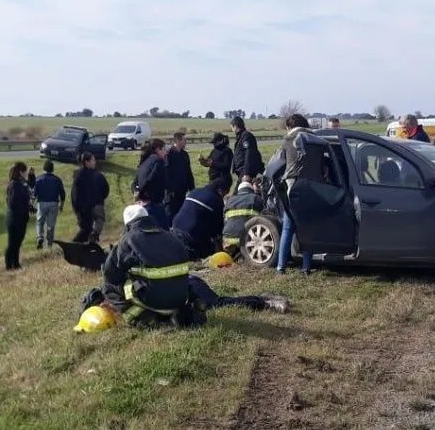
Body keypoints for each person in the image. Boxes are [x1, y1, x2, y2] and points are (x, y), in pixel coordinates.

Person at [78, 205, 289, 328]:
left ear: (129, 225)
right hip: (182, 295)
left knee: (113, 286)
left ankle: (144, 319)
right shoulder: (171, 237)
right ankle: (262, 301)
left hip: (161, 298)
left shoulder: (128, 241)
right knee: (219, 302)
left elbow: (110, 275)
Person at [276, 113, 322, 275]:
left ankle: (281, 266)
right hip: (313, 186)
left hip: (293, 186)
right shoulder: (314, 139)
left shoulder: (289, 140)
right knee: (307, 225)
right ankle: (306, 266)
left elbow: (279, 162)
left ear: (289, 126)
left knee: (288, 226)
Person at [171, 178, 229, 259]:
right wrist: (221, 250)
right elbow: (218, 229)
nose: (223, 196)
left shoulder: (195, 191)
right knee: (207, 250)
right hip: (191, 235)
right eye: (224, 193)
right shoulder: (217, 200)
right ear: (220, 190)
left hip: (175, 227)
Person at [132, 139, 169, 230]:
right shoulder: (158, 162)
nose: (165, 152)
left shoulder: (144, 162)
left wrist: (137, 195)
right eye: (164, 149)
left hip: (141, 205)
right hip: (154, 205)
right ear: (157, 150)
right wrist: (141, 192)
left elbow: (134, 183)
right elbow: (150, 180)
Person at [222, 180, 265, 254]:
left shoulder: (229, 200)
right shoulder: (256, 198)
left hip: (228, 238)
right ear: (251, 190)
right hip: (248, 239)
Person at [5, 162, 32, 270]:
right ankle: (9, 264)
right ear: (21, 172)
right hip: (15, 219)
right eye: (25, 171)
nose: (26, 173)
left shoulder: (19, 184)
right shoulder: (15, 185)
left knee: (17, 242)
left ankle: (15, 263)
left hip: (19, 218)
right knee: (13, 243)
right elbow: (13, 203)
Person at [34, 160, 65, 250]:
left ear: (44, 168)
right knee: (50, 225)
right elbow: (62, 194)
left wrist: (32, 203)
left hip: (42, 203)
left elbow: (34, 193)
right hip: (54, 203)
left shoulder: (38, 179)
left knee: (40, 222)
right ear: (52, 169)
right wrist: (61, 205)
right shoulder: (57, 179)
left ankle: (40, 237)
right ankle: (49, 244)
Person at [165, 132, 195, 225]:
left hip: (182, 192)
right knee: (170, 215)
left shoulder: (185, 155)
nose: (186, 142)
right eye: (184, 140)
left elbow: (189, 173)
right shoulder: (168, 155)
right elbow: (165, 174)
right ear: (177, 141)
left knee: (181, 215)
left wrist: (192, 189)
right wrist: (169, 189)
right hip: (171, 193)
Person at [231, 117, 264, 191]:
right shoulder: (241, 137)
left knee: (238, 193)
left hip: (245, 172)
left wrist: (246, 173)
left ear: (235, 126)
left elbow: (249, 154)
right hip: (242, 171)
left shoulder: (246, 136)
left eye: (232, 127)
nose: (232, 130)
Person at [71, 152, 99, 243]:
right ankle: (74, 245)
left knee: (88, 230)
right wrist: (79, 209)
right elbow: (75, 194)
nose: (95, 162)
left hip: (89, 208)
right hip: (83, 209)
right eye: (93, 160)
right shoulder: (81, 176)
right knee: (85, 229)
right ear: (87, 162)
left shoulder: (90, 174)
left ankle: (81, 251)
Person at [91, 168, 110, 243]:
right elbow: (106, 189)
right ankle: (94, 236)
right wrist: (102, 197)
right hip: (98, 203)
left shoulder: (81, 176)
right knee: (99, 220)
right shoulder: (99, 176)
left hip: (85, 204)